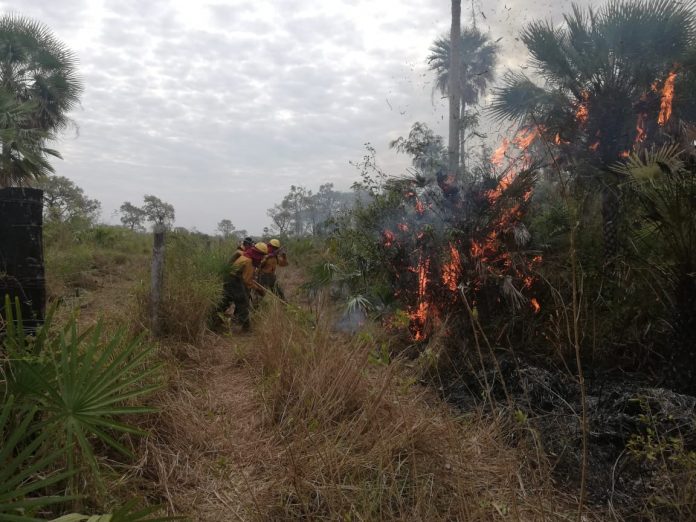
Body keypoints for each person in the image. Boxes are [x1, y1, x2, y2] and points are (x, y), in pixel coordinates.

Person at [218, 242, 267, 332]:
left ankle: (214, 319)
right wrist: (258, 289)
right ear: (258, 254)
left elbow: (245, 277)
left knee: (225, 300)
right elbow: (247, 281)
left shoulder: (245, 256)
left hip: (229, 278)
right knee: (243, 302)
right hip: (234, 281)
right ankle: (245, 328)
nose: (262, 258)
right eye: (262, 256)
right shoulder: (249, 261)